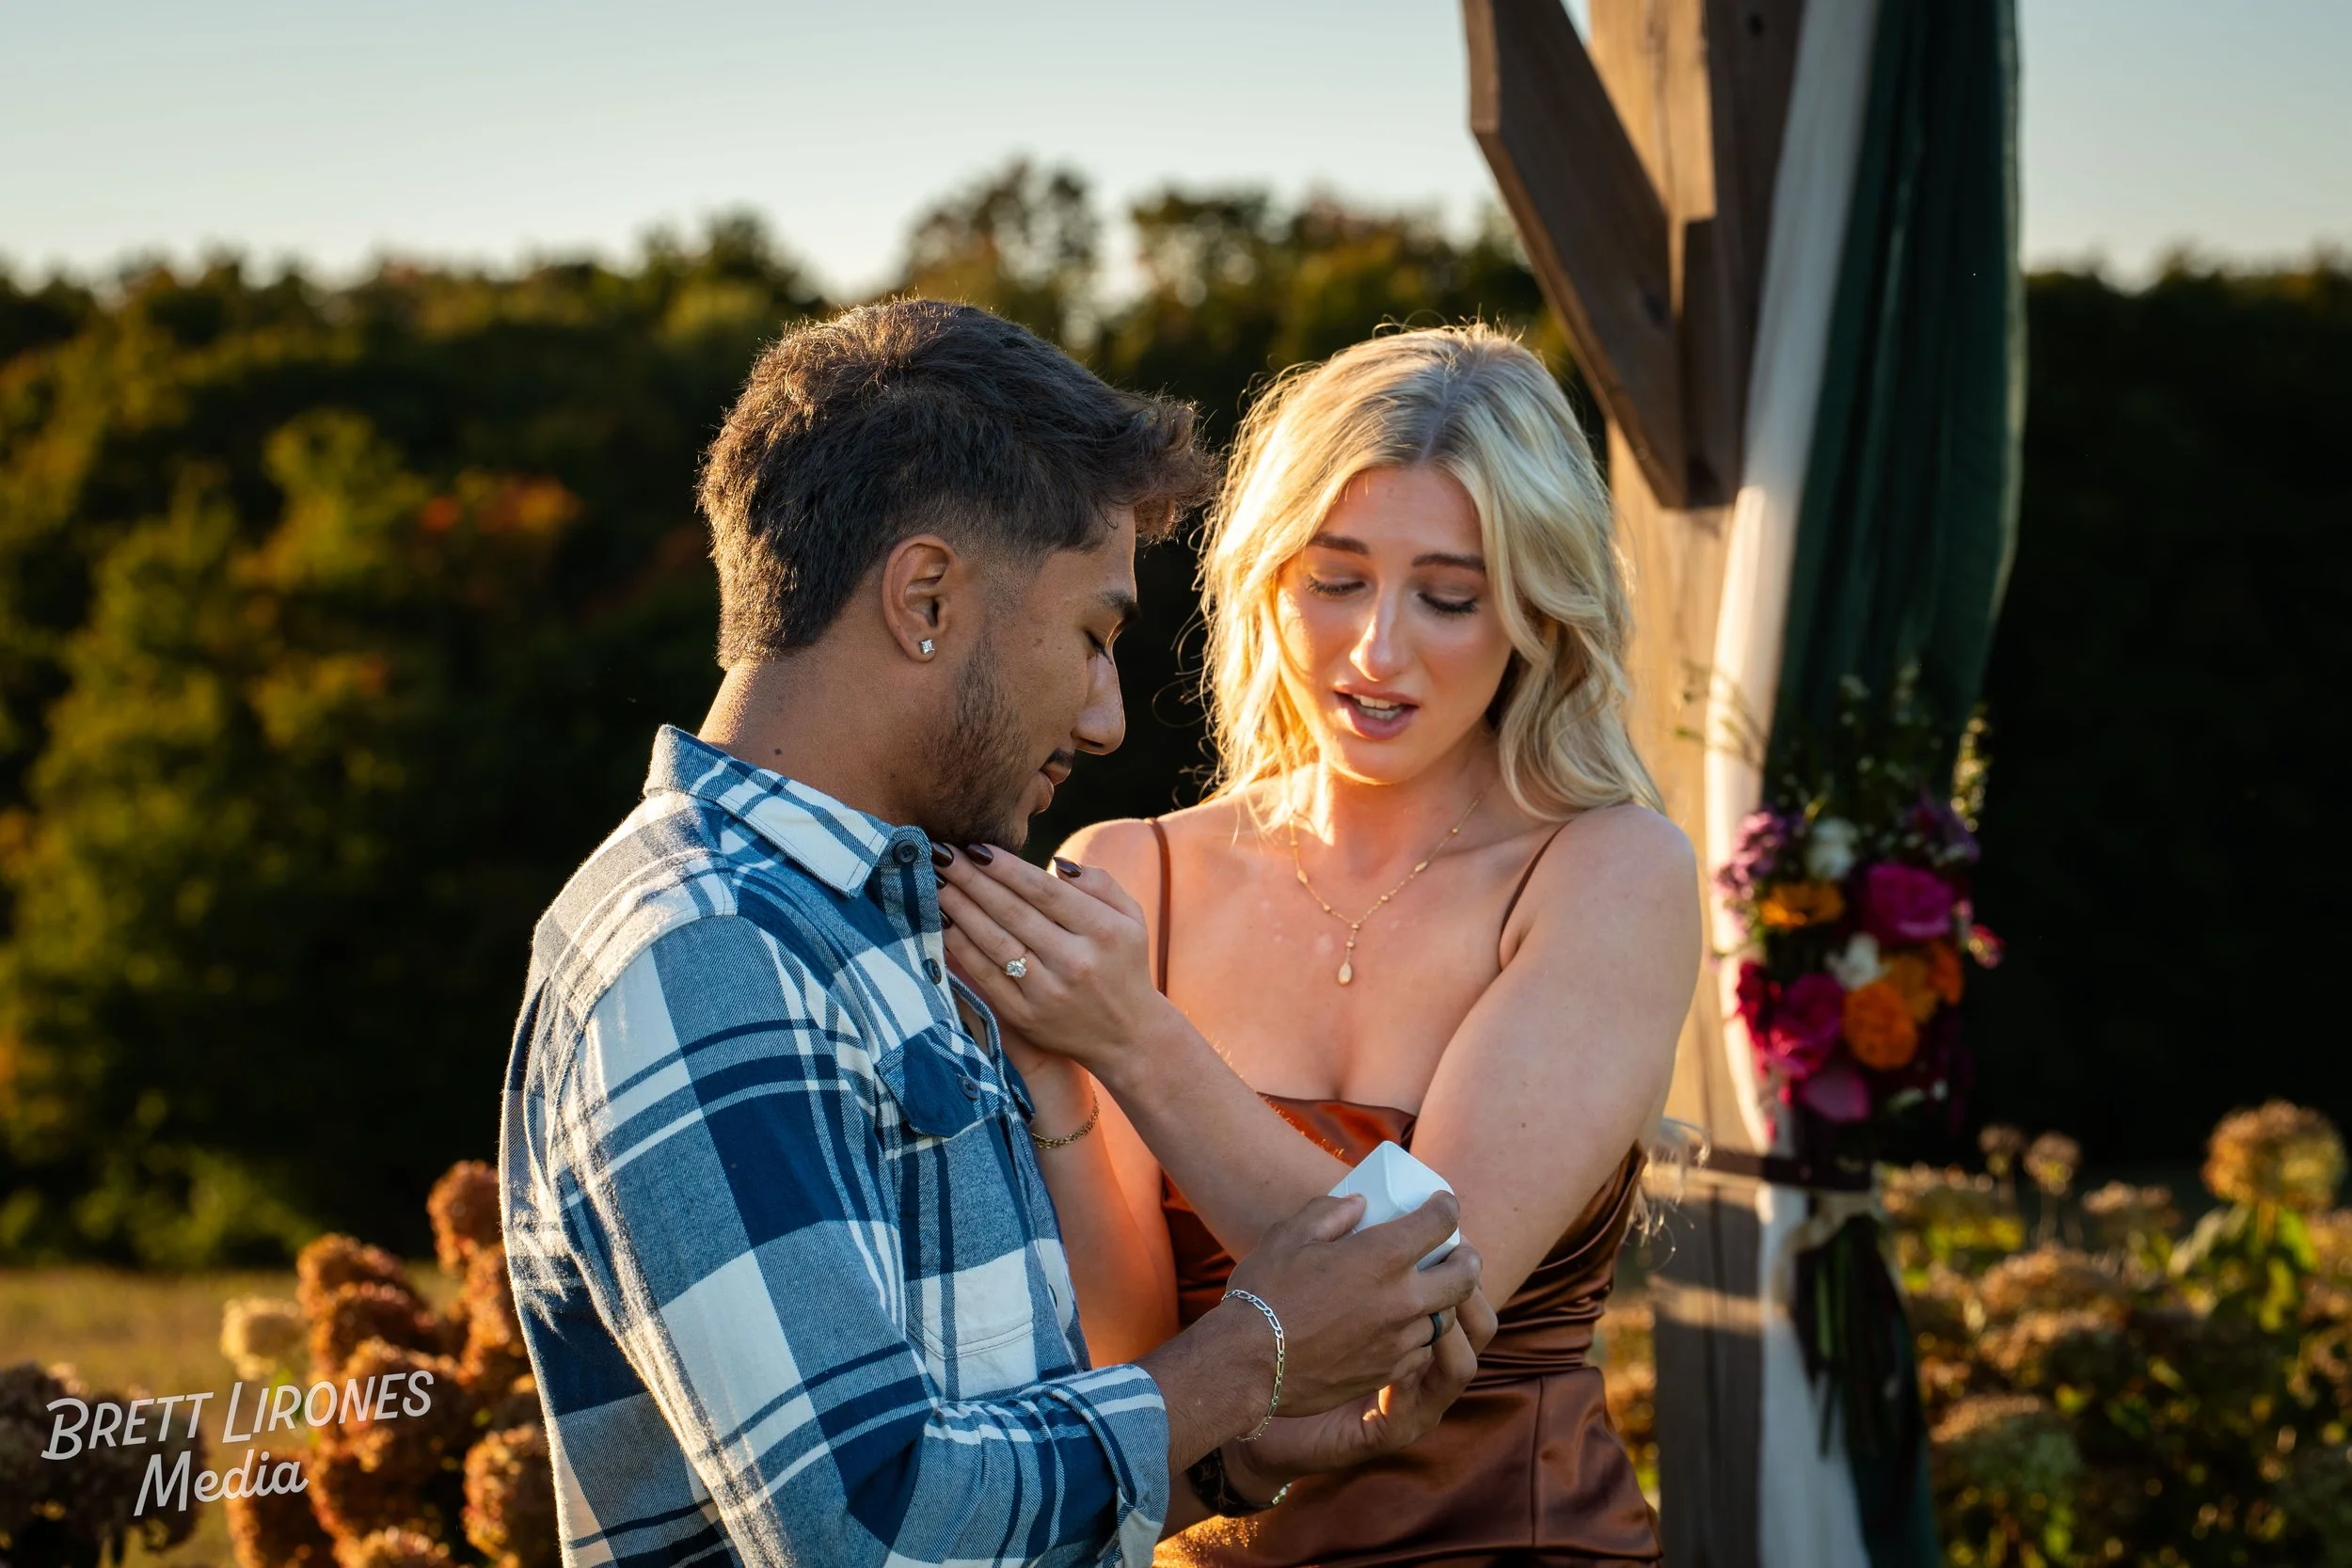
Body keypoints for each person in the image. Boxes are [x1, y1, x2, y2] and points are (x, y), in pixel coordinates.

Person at [497, 299, 1494, 1568]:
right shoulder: (705, 949)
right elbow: (870, 1528)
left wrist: (1222, 1460)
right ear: (926, 597)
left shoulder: (896, 919)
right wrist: (1253, 1352)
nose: (1106, 719)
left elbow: (971, 1455)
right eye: (1093, 633)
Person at [935, 325, 1701, 1564]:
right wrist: (1061, 1081)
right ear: (1267, 575)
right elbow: (1133, 1356)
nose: (1377, 650)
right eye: (1335, 580)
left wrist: (1134, 1035)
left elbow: (1430, 1298)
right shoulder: (1137, 871)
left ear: (1538, 610)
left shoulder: (1611, 870)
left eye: (1449, 596)